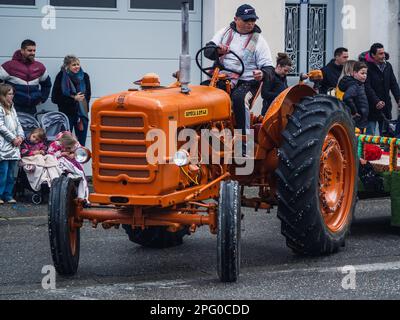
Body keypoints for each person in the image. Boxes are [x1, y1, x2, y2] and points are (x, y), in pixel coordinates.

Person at [204, 4, 273, 143]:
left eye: (252, 21)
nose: (250, 24)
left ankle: (243, 143)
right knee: (202, 94)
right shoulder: (224, 33)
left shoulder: (259, 41)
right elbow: (207, 51)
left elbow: (269, 68)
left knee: (239, 99)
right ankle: (205, 134)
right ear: (236, 19)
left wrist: (262, 73)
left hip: (247, 81)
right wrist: (217, 50)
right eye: (246, 20)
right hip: (223, 78)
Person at [0, 39, 52, 115]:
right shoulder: (9, 66)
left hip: (32, 108)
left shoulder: (40, 67)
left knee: (34, 127)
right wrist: (3, 99)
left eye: (34, 50)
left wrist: (42, 98)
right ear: (22, 51)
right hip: (14, 108)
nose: (32, 53)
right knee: (14, 127)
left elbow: (47, 84)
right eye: (29, 50)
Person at [360, 43, 400, 136]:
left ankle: (384, 151)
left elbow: (393, 84)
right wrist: (376, 101)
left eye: (383, 53)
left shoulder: (388, 66)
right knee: (370, 135)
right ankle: (369, 150)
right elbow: (367, 86)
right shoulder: (366, 67)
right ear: (373, 55)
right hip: (371, 106)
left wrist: (398, 98)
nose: (384, 55)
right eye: (380, 54)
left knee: (386, 135)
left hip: (385, 105)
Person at [51, 55, 91, 146]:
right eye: (74, 65)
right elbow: (55, 98)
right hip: (67, 114)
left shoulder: (85, 76)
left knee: (81, 143)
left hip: (82, 115)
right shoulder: (61, 76)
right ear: (67, 66)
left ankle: (80, 159)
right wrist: (73, 98)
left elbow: (87, 96)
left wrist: (83, 112)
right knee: (66, 142)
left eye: (78, 64)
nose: (77, 66)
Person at [0, 84, 24, 204]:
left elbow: (18, 123)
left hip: (14, 146)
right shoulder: (0, 108)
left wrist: (20, 136)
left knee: (10, 174)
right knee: (2, 173)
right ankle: (0, 194)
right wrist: (13, 138)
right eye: (9, 94)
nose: (12, 96)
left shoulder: (12, 107)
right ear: (3, 95)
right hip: (3, 146)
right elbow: (1, 126)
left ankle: (8, 195)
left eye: (12, 93)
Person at [48, 131, 89, 200]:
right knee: (60, 161)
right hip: (60, 162)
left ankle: (82, 197)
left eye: (70, 148)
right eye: (67, 147)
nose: (68, 149)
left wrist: (74, 154)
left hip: (73, 162)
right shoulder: (55, 144)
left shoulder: (75, 143)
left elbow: (81, 152)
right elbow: (49, 155)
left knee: (81, 175)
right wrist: (62, 154)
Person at [20, 128, 61, 192]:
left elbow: (45, 150)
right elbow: (23, 152)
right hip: (29, 157)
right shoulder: (25, 142)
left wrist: (42, 151)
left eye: (37, 140)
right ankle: (42, 178)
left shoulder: (41, 143)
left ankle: (55, 177)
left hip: (40, 158)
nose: (34, 140)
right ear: (31, 134)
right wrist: (33, 152)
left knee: (50, 157)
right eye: (33, 137)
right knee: (39, 157)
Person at [338, 61, 369, 131]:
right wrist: (354, 112)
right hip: (357, 120)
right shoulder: (354, 85)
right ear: (354, 73)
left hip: (361, 119)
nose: (365, 75)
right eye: (362, 73)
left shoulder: (359, 84)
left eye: (366, 73)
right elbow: (347, 97)